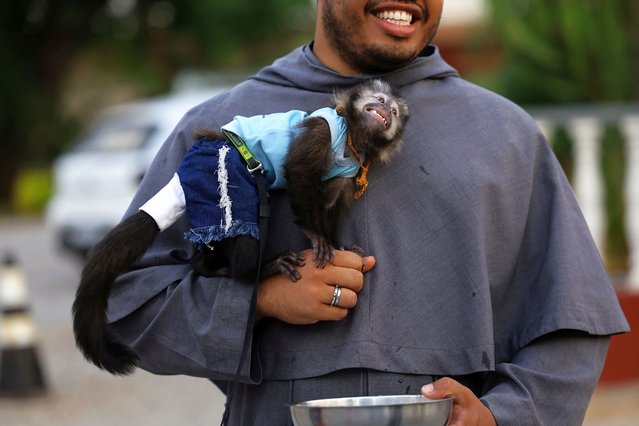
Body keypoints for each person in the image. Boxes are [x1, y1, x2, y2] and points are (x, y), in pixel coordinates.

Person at [106, 1, 629, 424]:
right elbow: (128, 305)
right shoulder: (224, 130)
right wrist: (260, 299)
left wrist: (498, 418)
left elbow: (570, 327)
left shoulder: (504, 136)